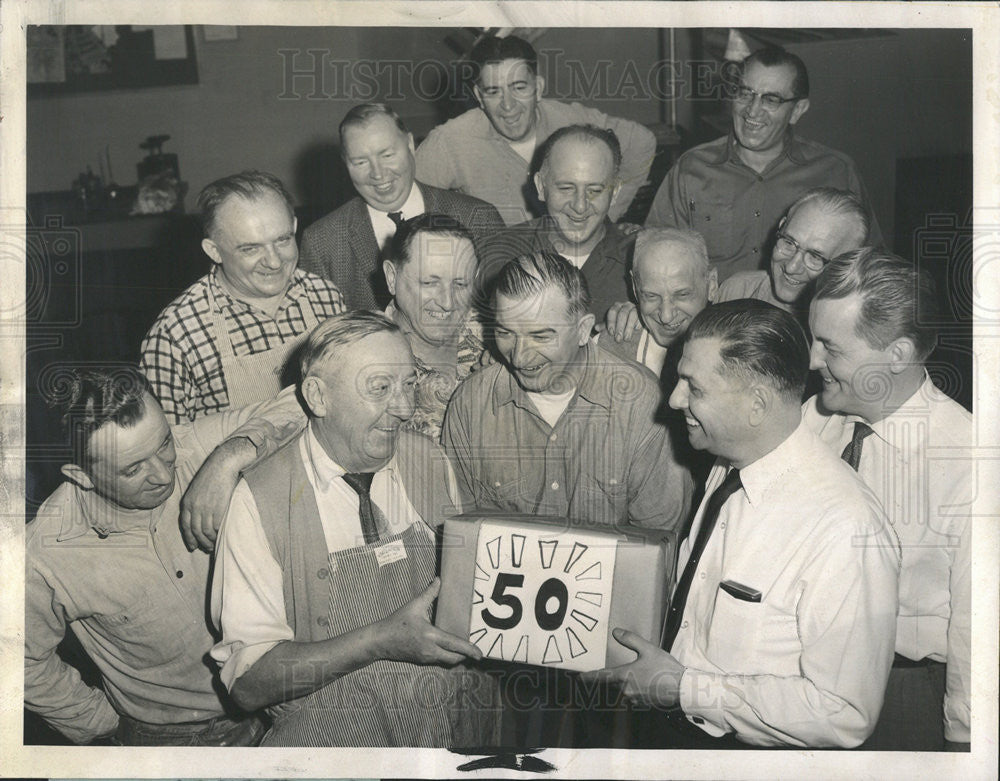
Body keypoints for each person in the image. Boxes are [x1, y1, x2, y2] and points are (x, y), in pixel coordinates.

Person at [585, 300, 900, 748]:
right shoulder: (727, 463)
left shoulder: (846, 529)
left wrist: (683, 688)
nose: (673, 400)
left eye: (693, 388)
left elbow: (843, 713)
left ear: (756, 405)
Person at [210, 311, 501, 747]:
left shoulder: (430, 460)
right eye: (380, 388)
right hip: (337, 749)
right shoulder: (259, 500)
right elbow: (249, 685)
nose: (405, 409)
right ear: (318, 397)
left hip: (452, 729)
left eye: (408, 385)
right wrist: (379, 641)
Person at [24, 366, 303, 745]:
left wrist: (226, 459)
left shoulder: (193, 447)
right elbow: (19, 660)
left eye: (163, 445)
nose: (163, 475)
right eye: (134, 469)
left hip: (278, 698)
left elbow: (302, 402)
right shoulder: (44, 552)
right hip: (174, 738)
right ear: (81, 475)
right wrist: (98, 724)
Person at [804, 248, 971, 751]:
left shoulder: (969, 461)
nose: (812, 361)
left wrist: (965, 745)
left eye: (830, 348)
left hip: (905, 697)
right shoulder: (816, 420)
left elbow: (979, 634)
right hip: (804, 682)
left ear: (896, 355)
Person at [444, 249, 692, 530]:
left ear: (583, 330)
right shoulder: (471, 404)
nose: (520, 356)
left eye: (540, 336)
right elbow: (462, 533)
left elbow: (658, 543)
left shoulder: (641, 403)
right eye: (505, 333)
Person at [645, 47, 881, 282]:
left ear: (797, 110)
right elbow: (653, 257)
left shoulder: (835, 172)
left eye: (771, 99)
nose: (753, 110)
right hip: (717, 315)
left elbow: (869, 266)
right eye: (745, 93)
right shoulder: (691, 170)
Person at [140, 170, 344, 424]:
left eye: (282, 240)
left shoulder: (324, 295)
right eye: (250, 248)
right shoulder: (176, 334)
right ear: (214, 251)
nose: (274, 261)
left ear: (294, 227)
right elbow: (166, 451)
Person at [415, 34, 656, 226]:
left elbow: (642, 143)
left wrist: (605, 216)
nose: (508, 105)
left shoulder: (569, 120)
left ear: (538, 88)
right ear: (479, 96)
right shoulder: (450, 141)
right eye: (493, 91)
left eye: (518, 87)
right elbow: (409, 203)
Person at [298, 103, 504, 310]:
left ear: (410, 144)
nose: (378, 174)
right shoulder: (321, 243)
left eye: (387, 155)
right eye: (360, 162)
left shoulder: (478, 218)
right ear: (345, 164)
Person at [478, 124, 636, 321]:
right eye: (566, 188)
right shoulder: (496, 255)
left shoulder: (641, 261)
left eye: (594, 191)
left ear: (614, 192)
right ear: (541, 187)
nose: (580, 206)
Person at [383, 213, 486, 441]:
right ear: (392, 278)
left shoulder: (502, 335)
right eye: (429, 283)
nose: (447, 302)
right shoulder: (360, 352)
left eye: (460, 284)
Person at [717, 187, 869, 319]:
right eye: (789, 242)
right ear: (781, 226)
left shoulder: (856, 323)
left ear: (850, 264)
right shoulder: (738, 292)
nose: (791, 267)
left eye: (815, 257)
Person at [598, 227, 717, 376]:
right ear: (635, 288)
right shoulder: (608, 352)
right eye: (651, 296)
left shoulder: (739, 353)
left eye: (682, 295)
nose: (666, 317)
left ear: (711, 285)